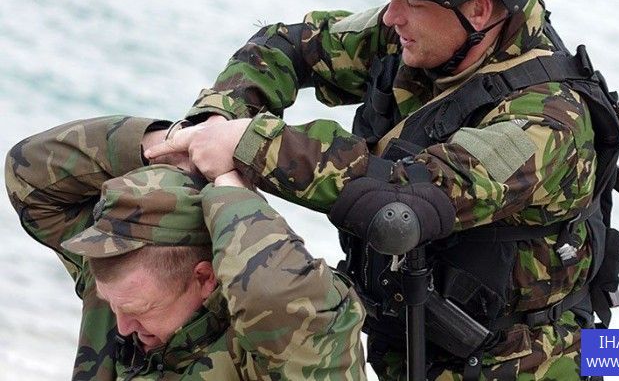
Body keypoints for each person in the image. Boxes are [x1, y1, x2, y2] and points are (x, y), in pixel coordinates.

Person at [144, 0, 619, 380]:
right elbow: (288, 47)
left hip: (522, 365)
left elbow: (406, 197)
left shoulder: (545, 123)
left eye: (410, 2)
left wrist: (249, 145)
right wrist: (214, 121)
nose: (392, 16)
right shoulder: (430, 35)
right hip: (410, 345)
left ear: (478, 10)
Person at [5, 115, 367, 380]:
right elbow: (29, 174)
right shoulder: (121, 285)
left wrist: (229, 189)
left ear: (205, 278)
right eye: (113, 305)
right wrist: (172, 144)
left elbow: (273, 293)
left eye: (138, 310)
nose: (123, 327)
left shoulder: (270, 348)